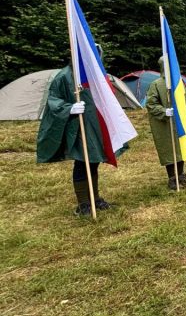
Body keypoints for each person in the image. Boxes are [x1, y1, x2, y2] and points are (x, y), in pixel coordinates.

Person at [37, 63, 123, 215]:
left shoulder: (93, 74)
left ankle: (95, 198)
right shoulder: (64, 76)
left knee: (94, 161)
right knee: (82, 161)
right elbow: (54, 101)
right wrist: (69, 108)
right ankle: (83, 203)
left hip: (94, 124)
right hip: (77, 126)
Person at [145, 58, 186, 190]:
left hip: (179, 122)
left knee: (181, 146)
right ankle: (172, 178)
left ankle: (180, 175)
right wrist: (164, 111)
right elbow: (151, 104)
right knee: (170, 150)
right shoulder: (156, 84)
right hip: (165, 123)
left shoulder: (178, 82)